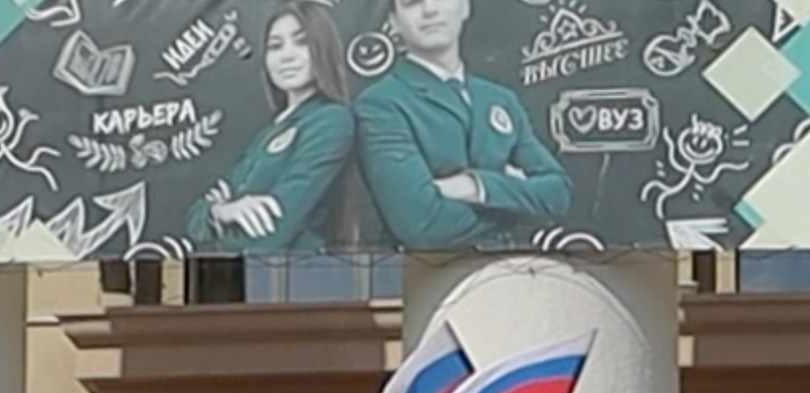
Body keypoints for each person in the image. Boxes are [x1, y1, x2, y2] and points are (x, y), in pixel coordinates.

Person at [352, 0, 571, 250]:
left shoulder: (501, 99)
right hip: (429, 279)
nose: (429, 10)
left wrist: (476, 186)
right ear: (393, 22)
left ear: (465, 7)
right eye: (412, 3)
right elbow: (423, 225)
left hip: (513, 276)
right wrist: (517, 202)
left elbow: (558, 194)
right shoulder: (381, 103)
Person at [188, 0, 358, 254]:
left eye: (301, 42)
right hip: (248, 283)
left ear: (323, 49)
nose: (287, 55)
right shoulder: (267, 133)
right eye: (275, 46)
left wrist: (221, 231)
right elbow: (194, 220)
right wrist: (222, 211)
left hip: (302, 281)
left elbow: (269, 235)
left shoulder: (331, 121)